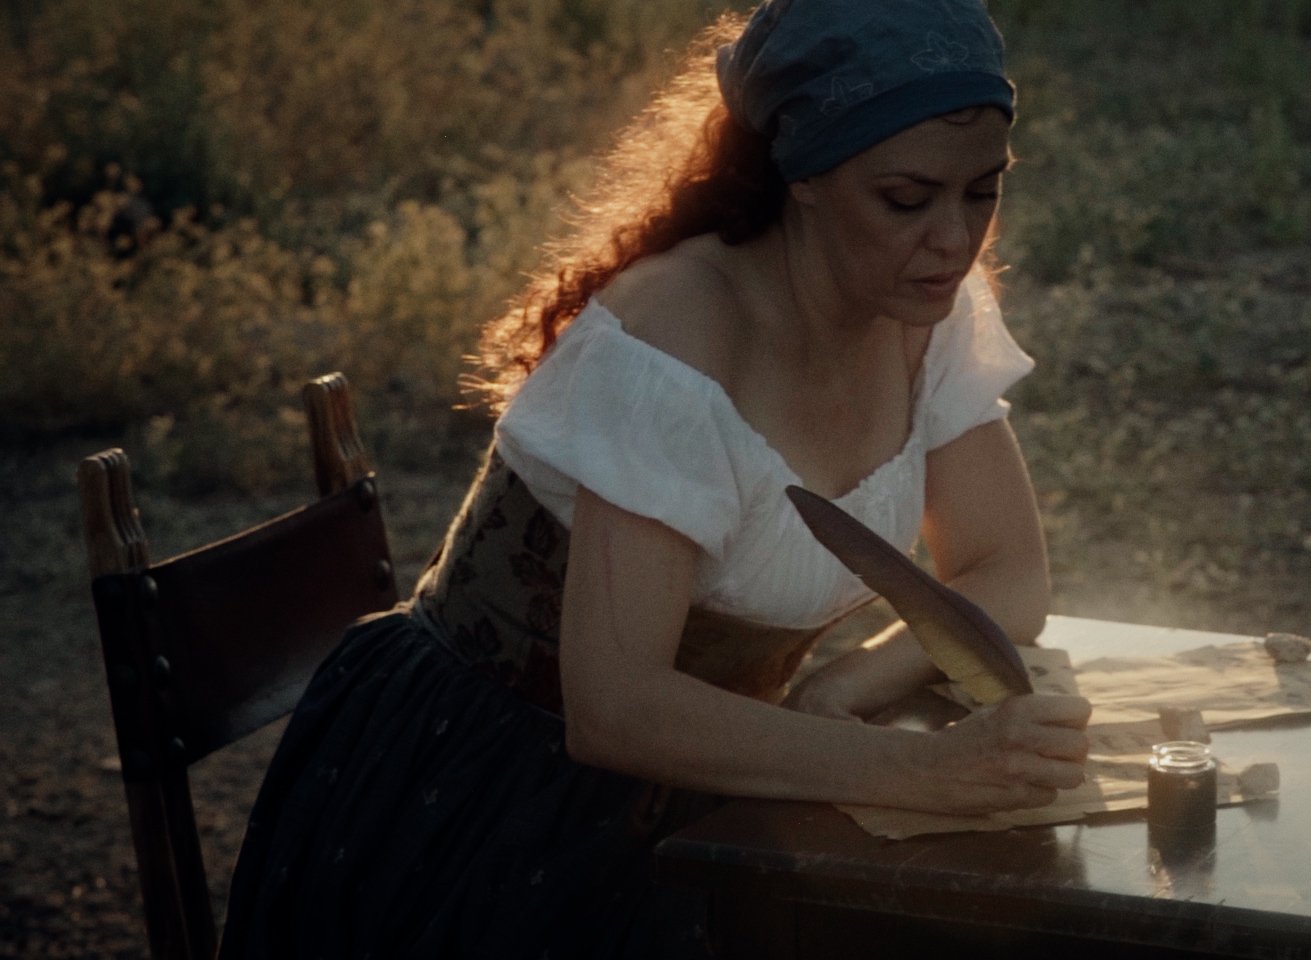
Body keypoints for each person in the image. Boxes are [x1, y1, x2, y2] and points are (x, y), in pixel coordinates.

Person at [217, 1, 1091, 956]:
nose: (955, 240)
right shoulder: (676, 342)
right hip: (498, 802)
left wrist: (849, 686)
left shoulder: (923, 311)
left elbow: (1008, 572)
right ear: (801, 173)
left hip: (730, 770)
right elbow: (617, 707)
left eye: (983, 192)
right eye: (907, 198)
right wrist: (923, 771)